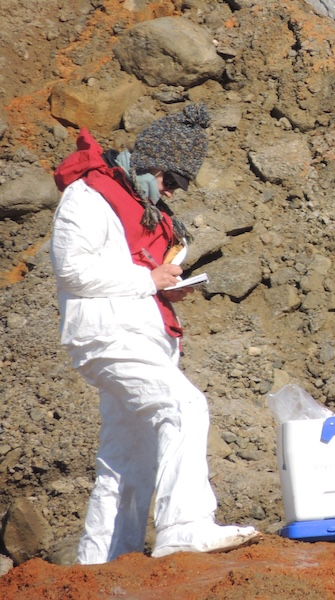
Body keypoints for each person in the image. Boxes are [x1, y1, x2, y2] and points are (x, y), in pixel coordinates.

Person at [50, 103, 260, 564]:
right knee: (184, 406)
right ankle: (184, 529)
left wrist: (164, 288)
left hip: (137, 335)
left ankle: (101, 563)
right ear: (150, 161)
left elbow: (128, 270)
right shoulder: (88, 196)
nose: (171, 191)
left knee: (127, 458)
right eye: (171, 180)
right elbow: (72, 270)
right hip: (107, 335)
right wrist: (150, 281)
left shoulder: (141, 207)